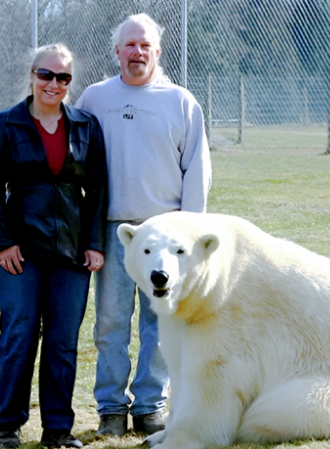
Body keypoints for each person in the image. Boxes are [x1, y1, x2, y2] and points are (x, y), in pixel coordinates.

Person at [75, 13, 211, 437]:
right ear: (116, 51)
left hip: (166, 235)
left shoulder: (181, 102)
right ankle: (111, 408)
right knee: (111, 323)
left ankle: (151, 405)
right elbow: (74, 162)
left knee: (161, 325)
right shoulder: (95, 99)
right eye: (130, 45)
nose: (137, 53)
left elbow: (197, 168)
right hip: (115, 232)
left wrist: (189, 231)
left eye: (145, 45)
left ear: (157, 51)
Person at [0, 43, 107, 449]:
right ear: (32, 76)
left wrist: (93, 243)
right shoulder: (4, 124)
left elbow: (98, 191)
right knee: (19, 332)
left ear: (71, 83)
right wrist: (3, 243)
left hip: (71, 253)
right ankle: (9, 425)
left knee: (63, 340)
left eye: (63, 78)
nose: (53, 84)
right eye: (46, 75)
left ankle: (57, 429)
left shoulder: (87, 126)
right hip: (20, 251)